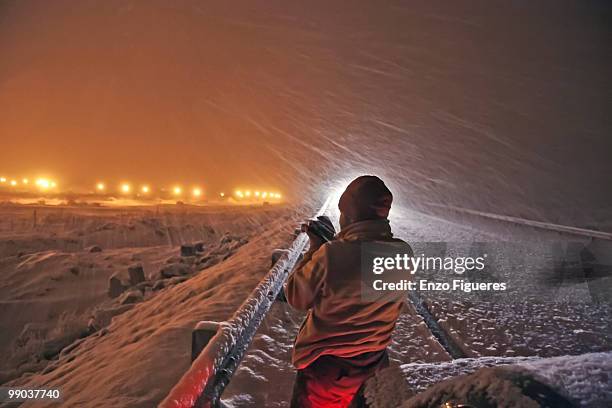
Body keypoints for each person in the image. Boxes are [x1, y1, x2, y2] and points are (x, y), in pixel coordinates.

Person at [286, 175, 412, 408]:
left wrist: (316, 248)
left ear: (350, 214)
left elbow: (296, 296)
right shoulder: (403, 252)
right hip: (373, 364)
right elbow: (361, 273)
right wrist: (334, 244)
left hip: (326, 369)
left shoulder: (332, 254)